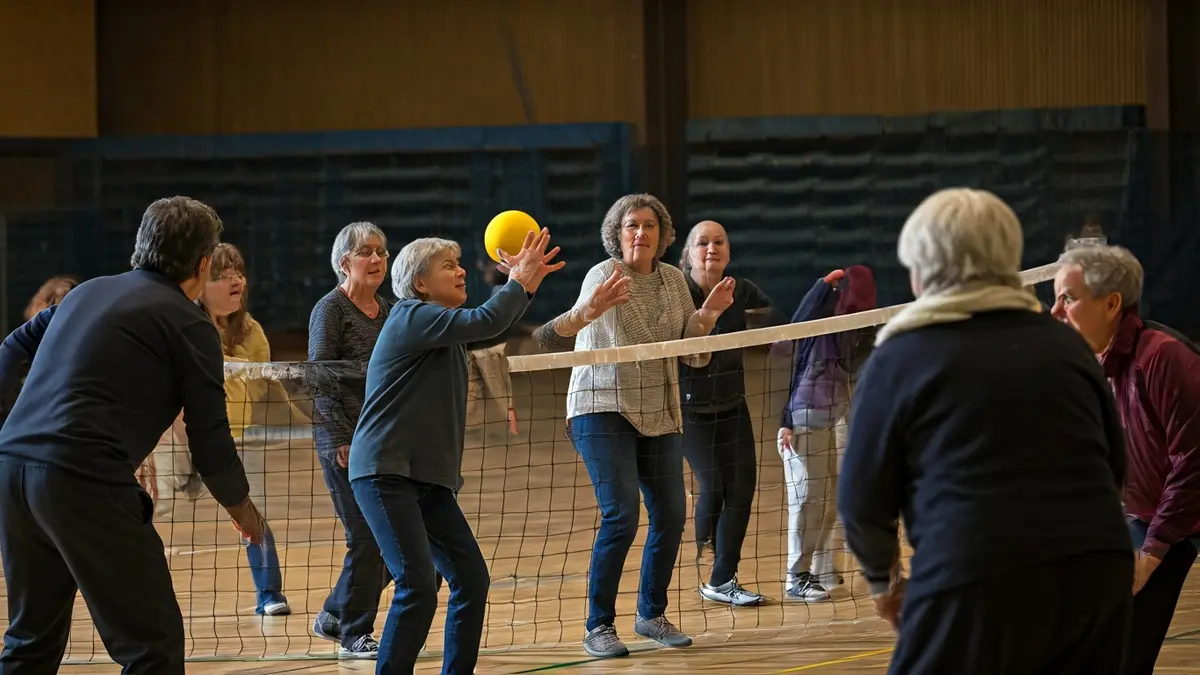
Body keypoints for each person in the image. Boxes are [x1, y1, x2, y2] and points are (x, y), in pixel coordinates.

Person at [839, 188, 1133, 675]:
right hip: (1098, 572)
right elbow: (1115, 468)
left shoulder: (900, 356)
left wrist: (884, 583)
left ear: (923, 269)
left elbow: (860, 499)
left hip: (974, 574)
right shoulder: (1069, 347)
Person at [0, 196, 266, 674]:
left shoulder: (86, 292)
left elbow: (11, 348)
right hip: (84, 480)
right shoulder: (189, 324)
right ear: (204, 263)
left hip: (13, 472)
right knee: (153, 647)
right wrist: (243, 510)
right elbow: (209, 437)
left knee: (29, 640)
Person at [349, 229, 564, 675]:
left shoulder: (445, 332)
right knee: (417, 585)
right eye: (449, 265)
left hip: (426, 480)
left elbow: (493, 324)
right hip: (385, 473)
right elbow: (488, 319)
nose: (462, 270)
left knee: (469, 579)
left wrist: (527, 285)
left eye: (460, 263)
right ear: (421, 283)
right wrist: (518, 282)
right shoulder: (412, 315)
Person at [533, 194, 736, 658]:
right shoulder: (603, 275)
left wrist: (707, 315)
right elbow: (552, 335)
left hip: (658, 408)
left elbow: (690, 352)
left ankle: (651, 614)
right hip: (600, 403)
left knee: (670, 513)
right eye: (630, 226)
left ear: (664, 236)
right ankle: (598, 626)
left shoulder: (672, 280)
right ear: (616, 235)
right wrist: (586, 312)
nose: (640, 233)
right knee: (622, 514)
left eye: (648, 225)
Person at [1051, 244, 1200, 675]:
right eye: (1056, 297)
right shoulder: (1089, 366)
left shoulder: (1164, 358)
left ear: (1113, 303)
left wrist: (1150, 554)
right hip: (1154, 513)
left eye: (1069, 298)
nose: (1055, 311)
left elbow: (1192, 463)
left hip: (1181, 504)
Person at [158, 243, 291, 616]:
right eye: (222, 275)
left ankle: (269, 593)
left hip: (232, 443)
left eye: (239, 272)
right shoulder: (183, 327)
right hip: (177, 443)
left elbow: (265, 385)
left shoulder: (252, 332)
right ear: (200, 283)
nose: (236, 280)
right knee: (146, 512)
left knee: (253, 511)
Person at [676, 220, 782, 607]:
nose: (711, 248)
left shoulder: (741, 290)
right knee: (715, 484)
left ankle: (722, 579)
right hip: (686, 409)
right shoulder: (677, 291)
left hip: (733, 405)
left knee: (741, 490)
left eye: (719, 242)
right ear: (688, 254)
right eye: (702, 242)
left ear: (729, 252)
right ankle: (703, 538)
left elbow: (776, 320)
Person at [308, 221, 393, 658]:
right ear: (345, 263)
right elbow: (319, 378)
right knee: (366, 537)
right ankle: (353, 633)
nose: (377, 259)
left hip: (383, 441)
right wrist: (340, 437)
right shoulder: (331, 310)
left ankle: (335, 613)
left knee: (392, 536)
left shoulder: (392, 308)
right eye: (366, 252)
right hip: (342, 441)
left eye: (381, 251)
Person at [777, 264, 876, 602]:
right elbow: (790, 334)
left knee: (829, 500)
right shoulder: (817, 325)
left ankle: (818, 568)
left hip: (829, 419)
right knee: (808, 499)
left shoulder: (855, 332)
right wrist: (821, 287)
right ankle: (796, 576)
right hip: (802, 419)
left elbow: (851, 380)